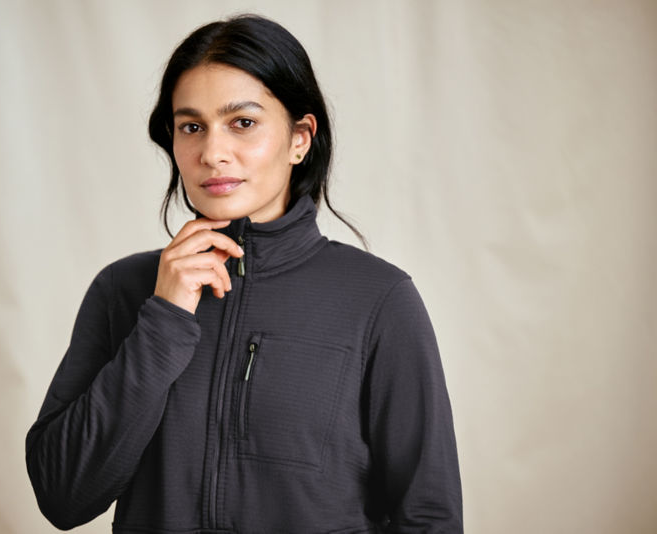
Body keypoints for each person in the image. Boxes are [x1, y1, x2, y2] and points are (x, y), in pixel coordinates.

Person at [25, 14, 462, 533]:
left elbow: (429, 516)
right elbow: (62, 496)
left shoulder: (378, 299)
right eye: (192, 127)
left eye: (243, 123)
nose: (212, 153)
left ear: (300, 138)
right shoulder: (124, 290)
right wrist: (163, 320)